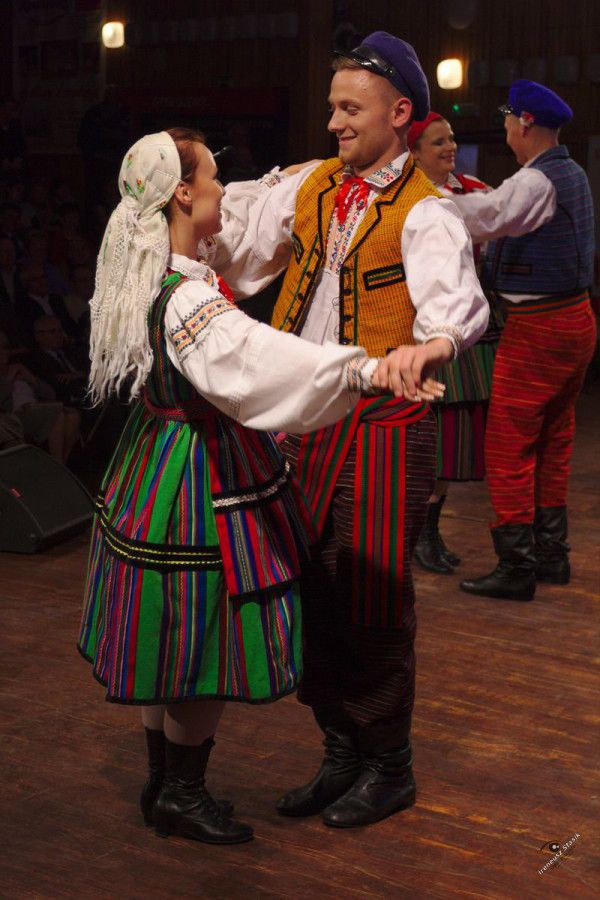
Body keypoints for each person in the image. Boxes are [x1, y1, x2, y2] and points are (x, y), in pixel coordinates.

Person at [78, 129, 437, 846]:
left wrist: (289, 177)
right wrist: (361, 369)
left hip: (156, 458)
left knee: (169, 630)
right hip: (198, 473)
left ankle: (164, 784)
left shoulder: (158, 264)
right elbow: (254, 360)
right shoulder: (186, 298)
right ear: (183, 192)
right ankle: (182, 792)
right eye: (213, 178)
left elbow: (242, 210)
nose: (224, 189)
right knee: (198, 634)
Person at [213, 32, 489, 828]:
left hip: (384, 425)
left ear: (400, 114)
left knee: (373, 594)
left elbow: (455, 307)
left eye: (350, 109)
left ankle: (388, 764)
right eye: (333, 107)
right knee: (312, 586)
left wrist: (433, 344)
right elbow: (239, 250)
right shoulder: (311, 186)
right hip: (309, 418)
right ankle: (339, 751)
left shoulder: (425, 210)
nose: (333, 122)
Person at [446, 81, 596, 601]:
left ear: (524, 122)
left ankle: (516, 568)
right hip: (575, 320)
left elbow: (485, 217)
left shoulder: (535, 181)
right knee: (553, 440)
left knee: (508, 445)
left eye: (508, 120)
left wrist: (425, 204)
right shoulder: (570, 172)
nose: (506, 129)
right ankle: (552, 556)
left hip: (539, 328)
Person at [407, 112, 501, 574]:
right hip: (423, 325)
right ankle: (419, 533)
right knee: (431, 438)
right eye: (438, 142)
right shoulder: (406, 198)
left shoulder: (474, 190)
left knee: (455, 442)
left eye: (451, 139)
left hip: (465, 326)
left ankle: (429, 530)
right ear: (413, 153)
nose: (450, 147)